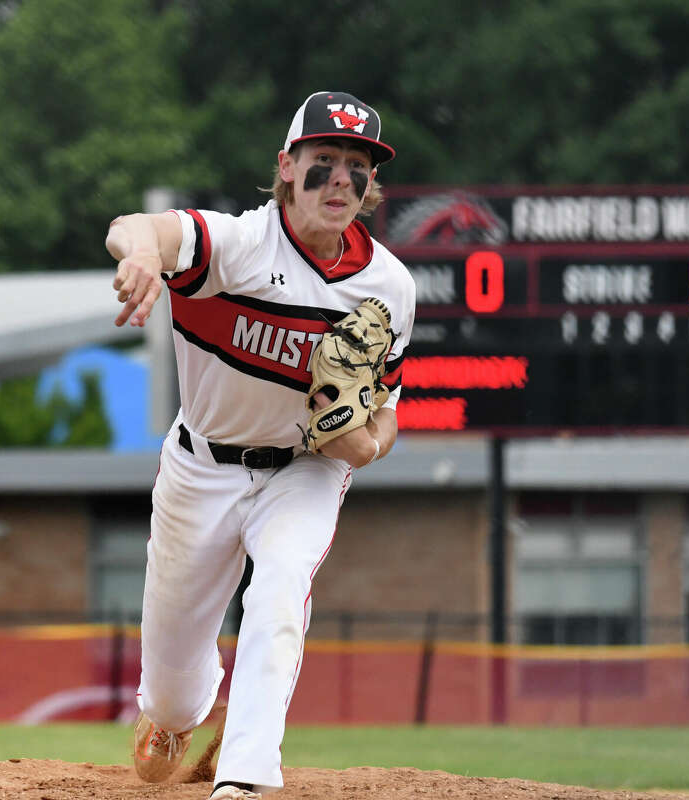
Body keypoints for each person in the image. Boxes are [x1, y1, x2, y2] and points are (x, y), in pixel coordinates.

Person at [106, 91, 416, 799]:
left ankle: (244, 778)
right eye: (324, 161)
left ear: (371, 189)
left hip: (304, 471)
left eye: (358, 168)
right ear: (286, 166)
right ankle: (176, 718)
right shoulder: (240, 245)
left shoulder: (389, 287)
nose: (341, 179)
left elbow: (387, 408)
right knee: (174, 692)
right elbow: (134, 227)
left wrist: (369, 448)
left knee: (280, 593)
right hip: (202, 467)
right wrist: (147, 259)